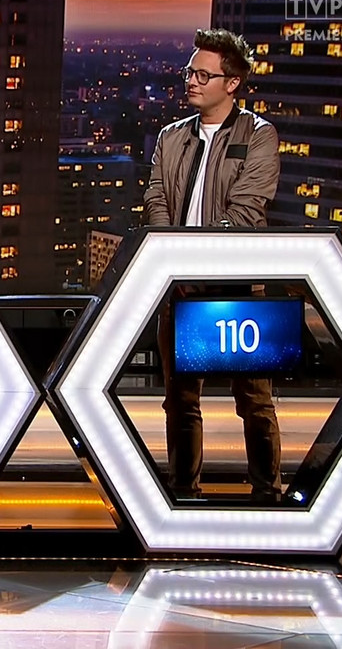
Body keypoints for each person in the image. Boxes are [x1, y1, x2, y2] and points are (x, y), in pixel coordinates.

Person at [143, 28, 283, 503]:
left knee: (255, 400)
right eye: (190, 72)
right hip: (179, 288)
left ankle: (267, 494)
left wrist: (194, 261)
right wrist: (173, 264)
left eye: (204, 75)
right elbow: (156, 199)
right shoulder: (171, 137)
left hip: (237, 289)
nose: (192, 81)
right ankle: (183, 494)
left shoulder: (259, 135)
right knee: (180, 401)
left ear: (233, 83)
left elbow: (247, 210)